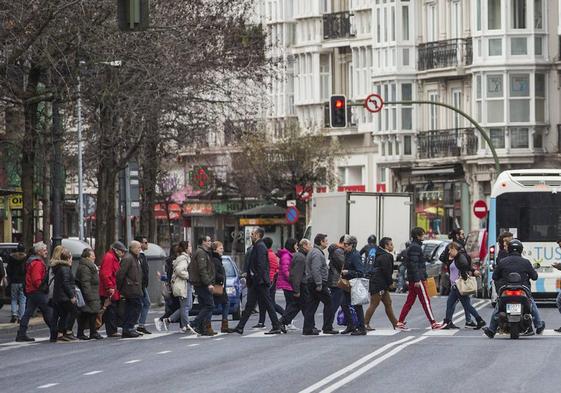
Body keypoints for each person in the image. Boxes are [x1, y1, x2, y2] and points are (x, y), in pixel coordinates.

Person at [483, 239, 545, 338]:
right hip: (522, 289)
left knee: (498, 307)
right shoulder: (526, 262)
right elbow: (535, 277)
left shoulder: (503, 261)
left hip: (506, 290)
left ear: (509, 249)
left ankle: (491, 329)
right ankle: (539, 325)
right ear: (521, 250)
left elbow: (494, 277)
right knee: (532, 304)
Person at [233, 227, 283, 335]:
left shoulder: (260, 246)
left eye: (252, 234)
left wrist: (257, 277)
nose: (251, 235)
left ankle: (276, 325)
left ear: (257, 235)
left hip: (259, 282)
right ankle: (240, 327)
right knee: (250, 305)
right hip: (256, 282)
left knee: (268, 303)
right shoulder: (257, 246)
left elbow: (261, 265)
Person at [397, 227, 443, 330]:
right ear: (418, 236)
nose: (424, 236)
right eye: (422, 234)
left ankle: (400, 321)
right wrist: (418, 279)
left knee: (410, 301)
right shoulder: (415, 247)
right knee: (425, 301)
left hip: (414, 278)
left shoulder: (414, 246)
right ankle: (433, 322)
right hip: (418, 279)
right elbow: (414, 265)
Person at [441, 242, 486, 330]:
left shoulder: (460, 258)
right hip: (455, 286)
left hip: (458, 285)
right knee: (450, 303)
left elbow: (465, 266)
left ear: (455, 249)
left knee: (466, 305)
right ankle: (447, 322)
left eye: (451, 249)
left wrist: (464, 275)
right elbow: (442, 258)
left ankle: (479, 320)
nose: (449, 251)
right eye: (449, 249)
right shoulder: (454, 258)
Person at [16, 242, 52, 342]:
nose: (46, 252)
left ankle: (21, 333)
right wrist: (42, 288)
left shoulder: (32, 261)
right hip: (38, 291)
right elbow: (36, 280)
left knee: (28, 313)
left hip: (32, 291)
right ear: (39, 251)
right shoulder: (37, 263)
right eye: (44, 250)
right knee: (47, 311)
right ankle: (55, 331)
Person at [302, 234, 338, 335]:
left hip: (312, 282)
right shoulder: (317, 253)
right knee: (329, 303)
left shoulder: (313, 251)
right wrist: (319, 284)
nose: (327, 242)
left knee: (311, 306)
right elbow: (315, 269)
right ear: (321, 242)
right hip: (317, 282)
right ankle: (327, 327)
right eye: (326, 241)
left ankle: (307, 328)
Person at [439, 228, 474, 326]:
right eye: (462, 234)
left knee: (461, 299)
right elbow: (442, 257)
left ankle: (465, 320)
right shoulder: (454, 246)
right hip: (457, 277)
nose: (463, 236)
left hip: (459, 276)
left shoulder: (459, 245)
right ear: (457, 235)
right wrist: (451, 263)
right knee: (460, 300)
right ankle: (468, 320)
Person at [364, 237, 398, 330]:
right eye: (391, 244)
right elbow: (387, 271)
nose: (392, 246)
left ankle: (395, 323)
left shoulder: (377, 253)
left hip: (379, 283)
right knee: (374, 303)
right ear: (386, 246)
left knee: (388, 303)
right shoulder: (386, 256)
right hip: (379, 284)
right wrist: (390, 283)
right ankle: (365, 323)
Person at [189, 236, 216, 336]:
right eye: (208, 241)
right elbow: (202, 269)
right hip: (202, 284)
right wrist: (208, 283)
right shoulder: (201, 253)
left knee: (203, 306)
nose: (210, 242)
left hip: (200, 283)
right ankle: (194, 323)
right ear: (203, 242)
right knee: (210, 305)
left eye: (210, 241)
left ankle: (200, 328)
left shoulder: (204, 252)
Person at [116, 241, 144, 338]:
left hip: (135, 288)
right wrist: (120, 288)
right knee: (135, 307)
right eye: (137, 248)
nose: (139, 250)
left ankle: (128, 328)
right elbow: (120, 274)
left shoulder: (135, 258)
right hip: (130, 288)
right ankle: (128, 328)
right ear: (132, 248)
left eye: (140, 248)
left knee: (132, 308)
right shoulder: (128, 258)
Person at [99, 241, 127, 338]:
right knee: (110, 310)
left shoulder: (112, 257)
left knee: (111, 309)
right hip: (110, 289)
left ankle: (111, 329)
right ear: (116, 250)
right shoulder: (110, 258)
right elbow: (106, 274)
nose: (123, 253)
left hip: (112, 288)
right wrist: (109, 287)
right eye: (122, 251)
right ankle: (111, 330)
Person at [167, 241, 196, 333]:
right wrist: (189, 276)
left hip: (187, 283)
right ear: (186, 248)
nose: (191, 248)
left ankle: (169, 319)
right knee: (185, 306)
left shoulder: (186, 257)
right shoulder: (183, 258)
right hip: (183, 284)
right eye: (190, 246)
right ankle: (185, 325)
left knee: (188, 306)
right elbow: (179, 270)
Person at [50, 247, 78, 342]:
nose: (72, 259)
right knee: (73, 311)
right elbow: (66, 283)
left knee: (64, 315)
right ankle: (67, 331)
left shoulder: (60, 268)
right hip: (64, 297)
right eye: (71, 258)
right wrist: (72, 296)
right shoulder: (65, 269)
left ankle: (60, 334)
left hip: (59, 296)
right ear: (68, 258)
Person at [340, 235, 366, 336]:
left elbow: (360, 272)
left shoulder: (355, 255)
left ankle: (361, 328)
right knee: (343, 304)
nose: (344, 246)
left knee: (357, 306)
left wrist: (348, 272)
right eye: (344, 244)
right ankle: (351, 325)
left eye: (346, 245)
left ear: (352, 245)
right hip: (347, 284)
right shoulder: (347, 254)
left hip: (354, 283)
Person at [280, 239, 308, 330]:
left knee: (297, 305)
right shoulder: (290, 256)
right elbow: (288, 272)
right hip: (290, 284)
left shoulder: (294, 255)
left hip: (293, 284)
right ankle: (282, 322)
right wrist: (294, 285)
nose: (296, 246)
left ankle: (283, 322)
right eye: (295, 245)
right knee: (294, 305)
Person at [256, 237, 284, 327]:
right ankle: (261, 321)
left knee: (270, 302)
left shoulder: (268, 254)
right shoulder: (271, 254)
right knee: (264, 301)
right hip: (270, 280)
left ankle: (285, 316)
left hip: (269, 281)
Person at [75, 248, 103, 340]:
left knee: (90, 313)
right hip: (90, 293)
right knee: (89, 313)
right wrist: (88, 295)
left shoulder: (90, 266)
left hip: (93, 292)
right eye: (92, 255)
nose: (94, 257)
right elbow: (85, 282)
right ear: (87, 257)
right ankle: (91, 332)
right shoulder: (85, 267)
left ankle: (89, 332)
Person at [211, 241, 234, 333]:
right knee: (212, 306)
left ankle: (224, 325)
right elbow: (215, 273)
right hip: (217, 285)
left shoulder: (218, 259)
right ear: (215, 249)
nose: (222, 250)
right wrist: (222, 277)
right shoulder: (215, 260)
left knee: (222, 304)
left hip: (220, 285)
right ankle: (202, 323)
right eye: (220, 248)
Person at [277, 238, 298, 330]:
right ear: (292, 245)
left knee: (290, 304)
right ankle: (285, 322)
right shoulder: (286, 256)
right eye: (296, 244)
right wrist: (292, 280)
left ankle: (286, 322)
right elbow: (286, 271)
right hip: (287, 284)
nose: (297, 246)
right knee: (292, 304)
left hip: (287, 283)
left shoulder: (289, 255)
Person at [135, 236, 151, 335]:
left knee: (143, 304)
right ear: (140, 244)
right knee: (144, 303)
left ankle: (140, 324)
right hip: (140, 285)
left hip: (142, 284)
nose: (147, 244)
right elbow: (142, 271)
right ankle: (139, 324)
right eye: (145, 242)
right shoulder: (140, 256)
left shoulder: (142, 255)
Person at [6, 243, 27, 323]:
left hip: (14, 281)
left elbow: (8, 269)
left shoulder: (12, 258)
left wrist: (10, 277)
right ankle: (21, 317)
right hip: (22, 280)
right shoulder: (25, 258)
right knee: (22, 299)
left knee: (14, 298)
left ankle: (14, 314)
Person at [328, 236, 346, 320]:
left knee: (343, 303)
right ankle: (328, 325)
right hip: (337, 281)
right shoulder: (338, 251)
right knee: (335, 304)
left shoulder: (337, 250)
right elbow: (343, 264)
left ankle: (350, 324)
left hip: (336, 280)